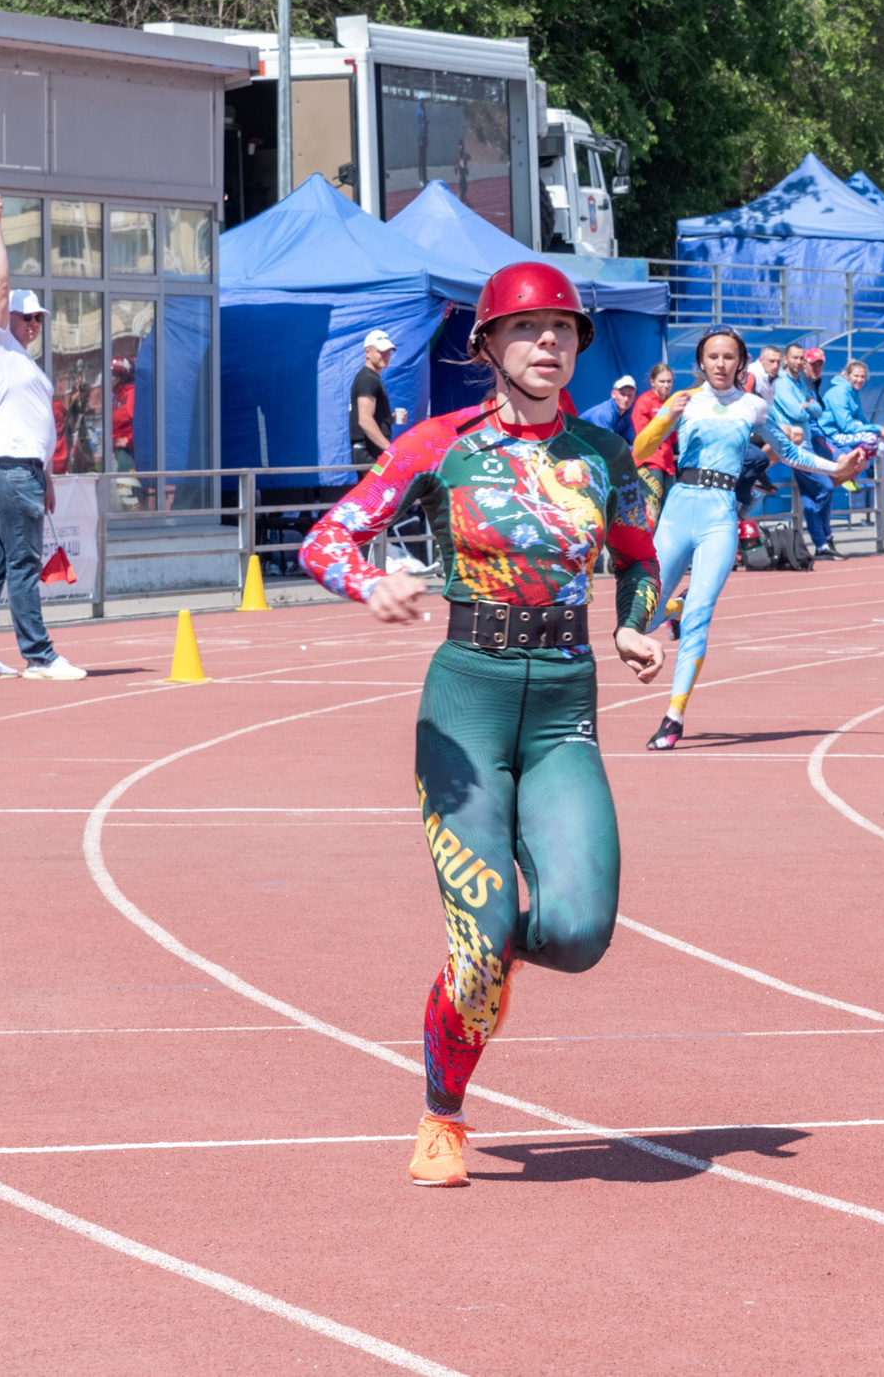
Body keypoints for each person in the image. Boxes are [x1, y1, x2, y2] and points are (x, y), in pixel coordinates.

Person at [299, 261, 664, 1188]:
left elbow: (638, 556)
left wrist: (634, 622)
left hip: (564, 711)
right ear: (489, 347)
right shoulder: (437, 446)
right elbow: (327, 538)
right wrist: (369, 578)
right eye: (529, 330)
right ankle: (443, 1113)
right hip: (466, 706)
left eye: (565, 330)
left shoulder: (603, 452)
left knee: (579, 933)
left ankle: (492, 951)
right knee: (477, 942)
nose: (551, 344)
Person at [634, 328, 865, 749]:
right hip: (679, 508)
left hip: (720, 513)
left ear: (740, 363)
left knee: (702, 615)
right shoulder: (683, 401)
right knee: (639, 621)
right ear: (701, 363)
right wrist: (667, 417)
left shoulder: (755, 406)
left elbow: (791, 453)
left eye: (728, 357)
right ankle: (674, 607)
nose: (720, 364)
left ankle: (673, 716)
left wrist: (836, 469)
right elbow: (639, 449)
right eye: (712, 357)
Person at [0, 188, 83, 683]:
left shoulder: (22, 362)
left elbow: (37, 423)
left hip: (18, 469)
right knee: (25, 563)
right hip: (9, 470)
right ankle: (39, 655)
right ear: (6, 315)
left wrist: (47, 476)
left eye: (38, 319)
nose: (33, 324)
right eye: (26, 315)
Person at [772, 346, 837, 556]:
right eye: (795, 358)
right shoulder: (782, 382)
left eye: (802, 358)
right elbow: (795, 411)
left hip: (806, 442)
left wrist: (809, 407)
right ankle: (825, 535)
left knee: (810, 496)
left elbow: (819, 409)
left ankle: (822, 544)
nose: (799, 362)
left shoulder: (800, 382)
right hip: (795, 445)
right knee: (826, 486)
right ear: (785, 359)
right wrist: (807, 408)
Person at [820, 358, 884, 472]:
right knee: (871, 438)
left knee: (876, 438)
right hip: (830, 436)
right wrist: (877, 429)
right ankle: (847, 467)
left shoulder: (853, 393)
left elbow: (861, 420)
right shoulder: (840, 392)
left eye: (862, 377)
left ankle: (851, 468)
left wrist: (880, 430)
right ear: (847, 376)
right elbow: (847, 426)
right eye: (856, 376)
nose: (859, 380)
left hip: (841, 433)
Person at [628, 361, 677, 516]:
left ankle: (662, 540)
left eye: (669, 381)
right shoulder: (645, 401)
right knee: (652, 509)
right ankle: (649, 540)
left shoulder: (671, 402)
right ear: (653, 382)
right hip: (649, 461)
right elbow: (642, 433)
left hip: (667, 462)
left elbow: (673, 437)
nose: (666, 385)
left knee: (669, 509)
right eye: (662, 381)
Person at [350, 330, 397, 470]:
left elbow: (368, 416)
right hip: (369, 454)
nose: (386, 355)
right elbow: (365, 420)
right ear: (367, 352)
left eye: (388, 351)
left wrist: (390, 419)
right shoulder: (368, 379)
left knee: (379, 491)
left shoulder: (370, 378)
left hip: (370, 453)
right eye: (380, 351)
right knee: (380, 490)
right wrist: (390, 450)